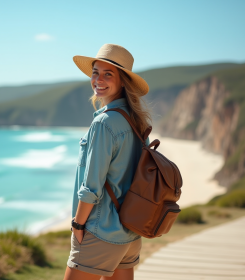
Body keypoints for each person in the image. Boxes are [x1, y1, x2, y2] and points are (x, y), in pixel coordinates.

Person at [63, 44, 152, 280]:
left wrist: (78, 225)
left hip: (101, 231)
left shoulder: (104, 123)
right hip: (131, 232)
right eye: (95, 72)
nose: (98, 79)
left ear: (123, 81)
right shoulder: (138, 121)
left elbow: (92, 186)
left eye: (108, 74)